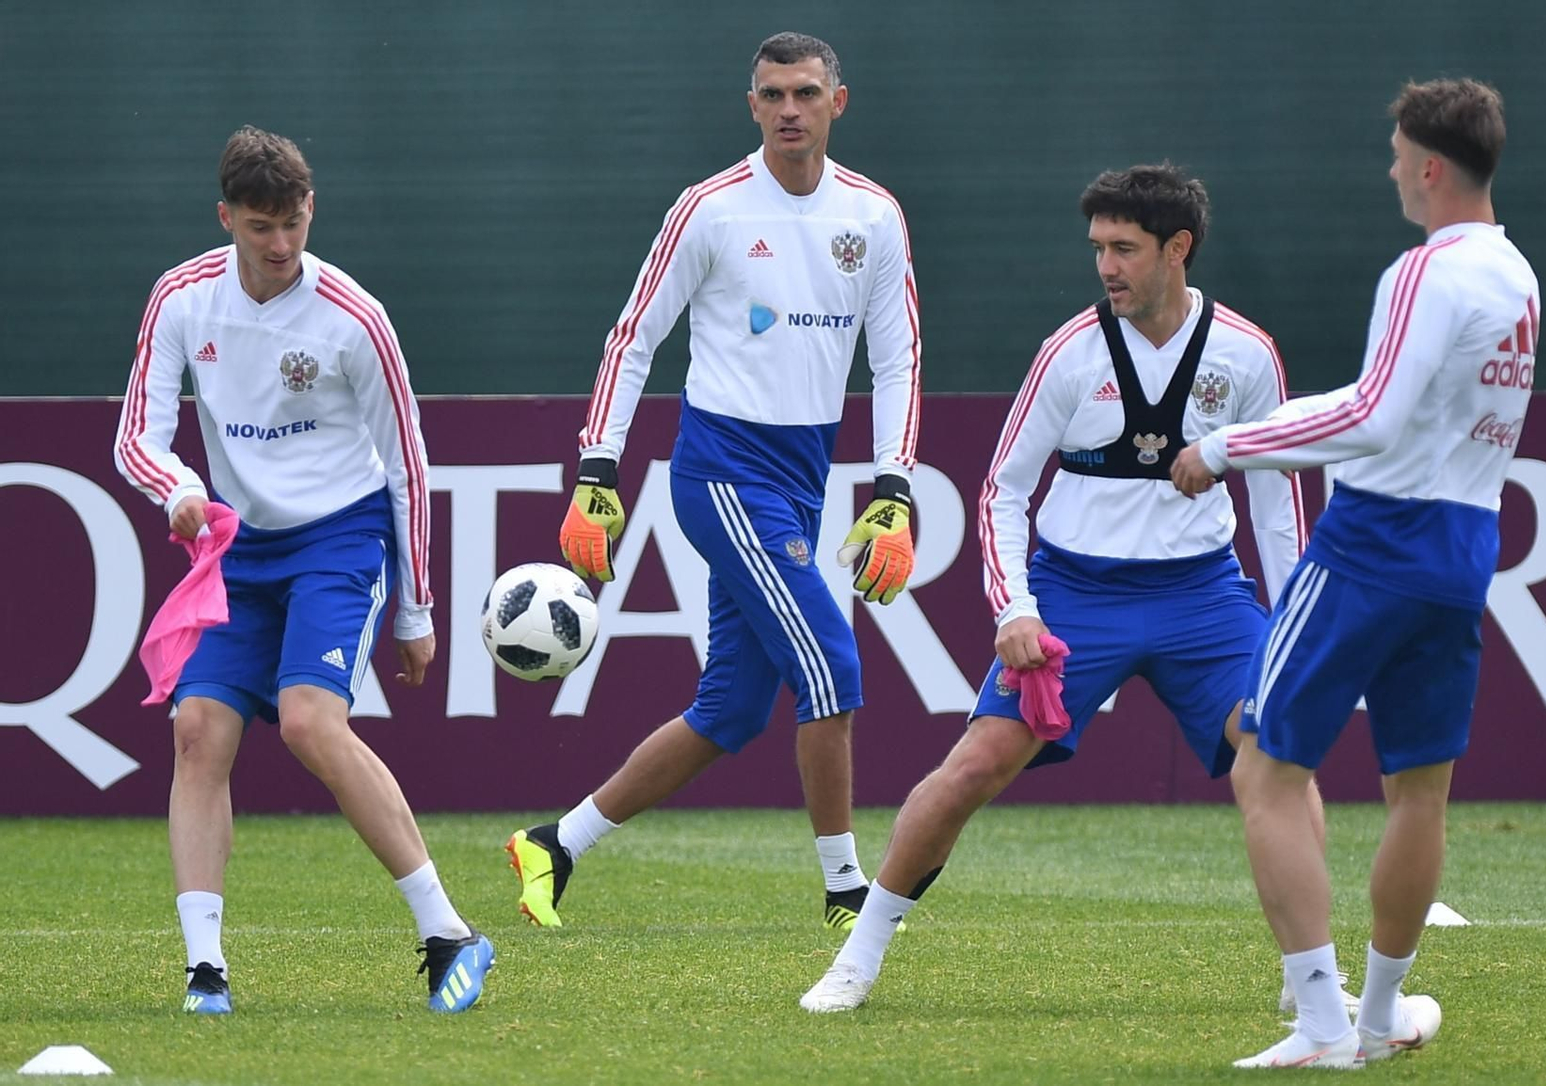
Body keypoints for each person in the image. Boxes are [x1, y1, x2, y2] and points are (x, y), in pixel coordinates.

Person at [803, 163, 1330, 1013]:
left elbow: (1277, 503)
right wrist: (1016, 608)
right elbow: (1001, 492)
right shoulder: (1069, 354)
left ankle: (1312, 980)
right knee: (975, 764)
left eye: (1125, 248)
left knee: (1280, 758)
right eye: (1098, 249)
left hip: (1206, 599)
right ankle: (857, 958)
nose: (1107, 266)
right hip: (1075, 594)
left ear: (1179, 249)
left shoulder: (1246, 354)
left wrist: (1293, 619)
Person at [505, 31, 922, 933]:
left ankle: (556, 843)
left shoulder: (876, 217)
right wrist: (596, 470)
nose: (789, 110)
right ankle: (848, 888)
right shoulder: (711, 210)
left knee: (729, 712)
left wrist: (894, 487)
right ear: (752, 105)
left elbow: (897, 364)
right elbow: (633, 339)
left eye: (807, 93)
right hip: (722, 472)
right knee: (832, 665)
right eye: (773, 94)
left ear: (837, 103)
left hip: (804, 477)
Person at [1171, 78, 1537, 1070]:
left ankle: (1327, 1026)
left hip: (1377, 542)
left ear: (1427, 166)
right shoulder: (1516, 277)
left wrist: (1230, 443)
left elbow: (1370, 419)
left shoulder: (1427, 271)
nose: (1387, 170)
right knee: (1419, 790)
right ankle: (1376, 1018)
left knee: (1264, 766)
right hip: (1462, 550)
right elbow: (1394, 402)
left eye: (1392, 154)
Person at [112, 126, 492, 1015]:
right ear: (226, 219)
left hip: (338, 539)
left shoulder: (353, 317)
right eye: (259, 227)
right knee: (198, 731)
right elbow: (137, 434)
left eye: (292, 222)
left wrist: (416, 607)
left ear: (310, 208)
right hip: (236, 550)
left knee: (309, 725)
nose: (280, 245)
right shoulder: (181, 298)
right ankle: (205, 972)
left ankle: (448, 934)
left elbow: (408, 464)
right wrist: (178, 490)